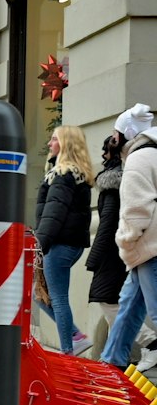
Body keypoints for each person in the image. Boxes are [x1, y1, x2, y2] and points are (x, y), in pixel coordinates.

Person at [35, 123, 96, 355]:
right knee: (41, 295)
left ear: (65, 144)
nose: (50, 143)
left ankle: (69, 350)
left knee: (57, 298)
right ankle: (75, 336)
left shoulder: (62, 175)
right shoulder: (74, 174)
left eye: (54, 139)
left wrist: (39, 245)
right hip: (67, 244)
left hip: (58, 244)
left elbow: (54, 213)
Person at [104, 115, 157, 370]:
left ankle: (111, 364)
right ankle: (111, 364)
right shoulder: (151, 154)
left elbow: (136, 213)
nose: (112, 138)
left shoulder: (138, 159)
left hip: (149, 248)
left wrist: (125, 243)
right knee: (128, 306)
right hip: (147, 248)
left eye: (116, 133)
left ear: (126, 134)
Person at [86, 132, 127, 357]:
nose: (102, 155)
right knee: (114, 299)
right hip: (119, 249)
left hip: (112, 252)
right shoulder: (118, 183)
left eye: (106, 150)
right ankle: (114, 355)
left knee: (107, 299)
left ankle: (149, 341)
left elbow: (107, 225)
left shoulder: (112, 187)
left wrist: (94, 258)